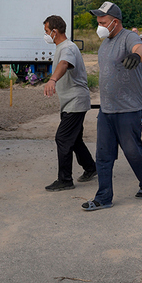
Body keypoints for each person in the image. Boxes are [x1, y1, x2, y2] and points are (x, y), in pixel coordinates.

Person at [82, 1, 142, 211]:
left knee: (132, 151)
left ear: (115, 22)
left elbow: (140, 48)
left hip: (129, 108)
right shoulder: (105, 43)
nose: (99, 25)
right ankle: (103, 197)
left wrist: (136, 55)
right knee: (103, 154)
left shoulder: (127, 37)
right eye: (98, 21)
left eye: (102, 22)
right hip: (107, 109)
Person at [41, 15, 98, 192]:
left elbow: (64, 64)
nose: (45, 35)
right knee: (75, 139)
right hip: (71, 102)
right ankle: (91, 168)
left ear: (54, 31)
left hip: (75, 102)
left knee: (63, 138)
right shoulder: (64, 47)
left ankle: (65, 180)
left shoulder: (68, 48)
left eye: (46, 31)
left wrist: (52, 80)